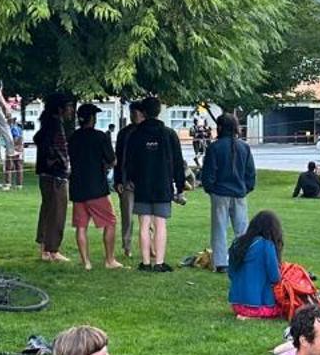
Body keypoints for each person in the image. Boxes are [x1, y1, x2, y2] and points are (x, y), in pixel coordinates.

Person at [118, 96, 187, 272]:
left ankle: (146, 262)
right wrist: (179, 185)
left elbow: (129, 160)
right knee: (160, 224)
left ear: (144, 112)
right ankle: (159, 262)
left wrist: (130, 179)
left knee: (144, 224)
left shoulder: (135, 134)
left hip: (141, 184)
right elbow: (177, 162)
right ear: (159, 111)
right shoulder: (169, 134)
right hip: (162, 184)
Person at [69, 103, 122, 271]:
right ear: (92, 118)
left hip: (77, 187)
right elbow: (112, 160)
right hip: (97, 187)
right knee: (110, 222)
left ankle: (86, 262)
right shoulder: (100, 137)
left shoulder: (73, 137)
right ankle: (109, 259)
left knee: (81, 226)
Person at [200, 114, 256, 273]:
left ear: (220, 127)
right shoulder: (244, 147)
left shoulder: (215, 147)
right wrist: (246, 188)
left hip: (219, 193)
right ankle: (242, 259)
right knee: (242, 229)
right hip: (239, 193)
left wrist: (209, 188)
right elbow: (250, 172)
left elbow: (208, 172)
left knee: (219, 228)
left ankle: (220, 262)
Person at [32, 93, 73, 264]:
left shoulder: (46, 125)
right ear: (60, 109)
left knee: (47, 209)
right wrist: (66, 168)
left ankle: (44, 248)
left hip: (45, 174)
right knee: (57, 212)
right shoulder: (56, 126)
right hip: (56, 175)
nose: (71, 110)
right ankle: (52, 249)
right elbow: (60, 150)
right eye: (69, 106)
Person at [227, 212, 288, 319]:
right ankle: (251, 316)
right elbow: (275, 277)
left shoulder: (238, 243)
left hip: (236, 304)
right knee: (285, 307)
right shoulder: (266, 245)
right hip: (258, 305)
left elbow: (231, 273)